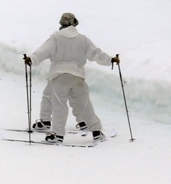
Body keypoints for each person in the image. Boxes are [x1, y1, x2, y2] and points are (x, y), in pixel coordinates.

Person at [24, 12, 118, 144]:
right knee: (85, 104)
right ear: (75, 24)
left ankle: (58, 135)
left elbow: (42, 51)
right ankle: (96, 132)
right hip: (78, 76)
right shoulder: (82, 39)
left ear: (61, 24)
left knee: (59, 105)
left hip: (60, 76)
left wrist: (31, 60)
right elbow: (95, 53)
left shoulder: (56, 38)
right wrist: (111, 60)